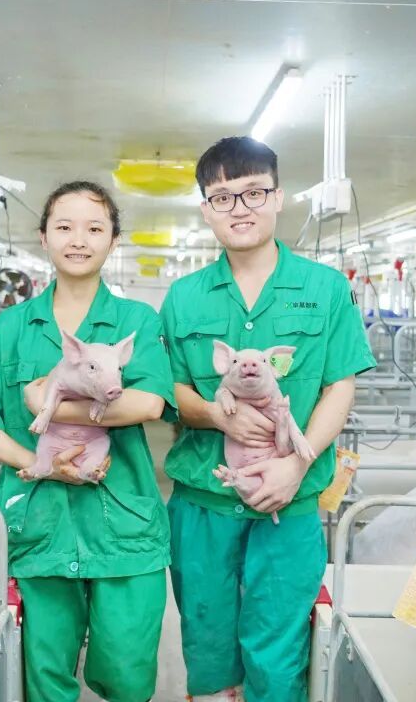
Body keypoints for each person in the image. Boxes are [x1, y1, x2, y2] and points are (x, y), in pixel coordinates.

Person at [159, 136, 377, 702]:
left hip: (290, 501)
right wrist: (216, 415)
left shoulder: (325, 288)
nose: (240, 208)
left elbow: (340, 386)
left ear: (279, 198)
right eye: (223, 197)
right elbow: (169, 391)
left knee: (278, 655)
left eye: (254, 192)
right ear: (206, 209)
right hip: (203, 502)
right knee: (207, 647)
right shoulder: (184, 297)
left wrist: (297, 467)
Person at [0, 180, 174, 702]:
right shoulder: (10, 329)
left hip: (125, 528)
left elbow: (148, 404)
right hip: (38, 524)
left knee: (127, 676)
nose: (79, 239)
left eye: (95, 228)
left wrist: (46, 403)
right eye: (65, 227)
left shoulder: (136, 322)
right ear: (44, 237)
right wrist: (40, 463)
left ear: (113, 240)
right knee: (44, 680)